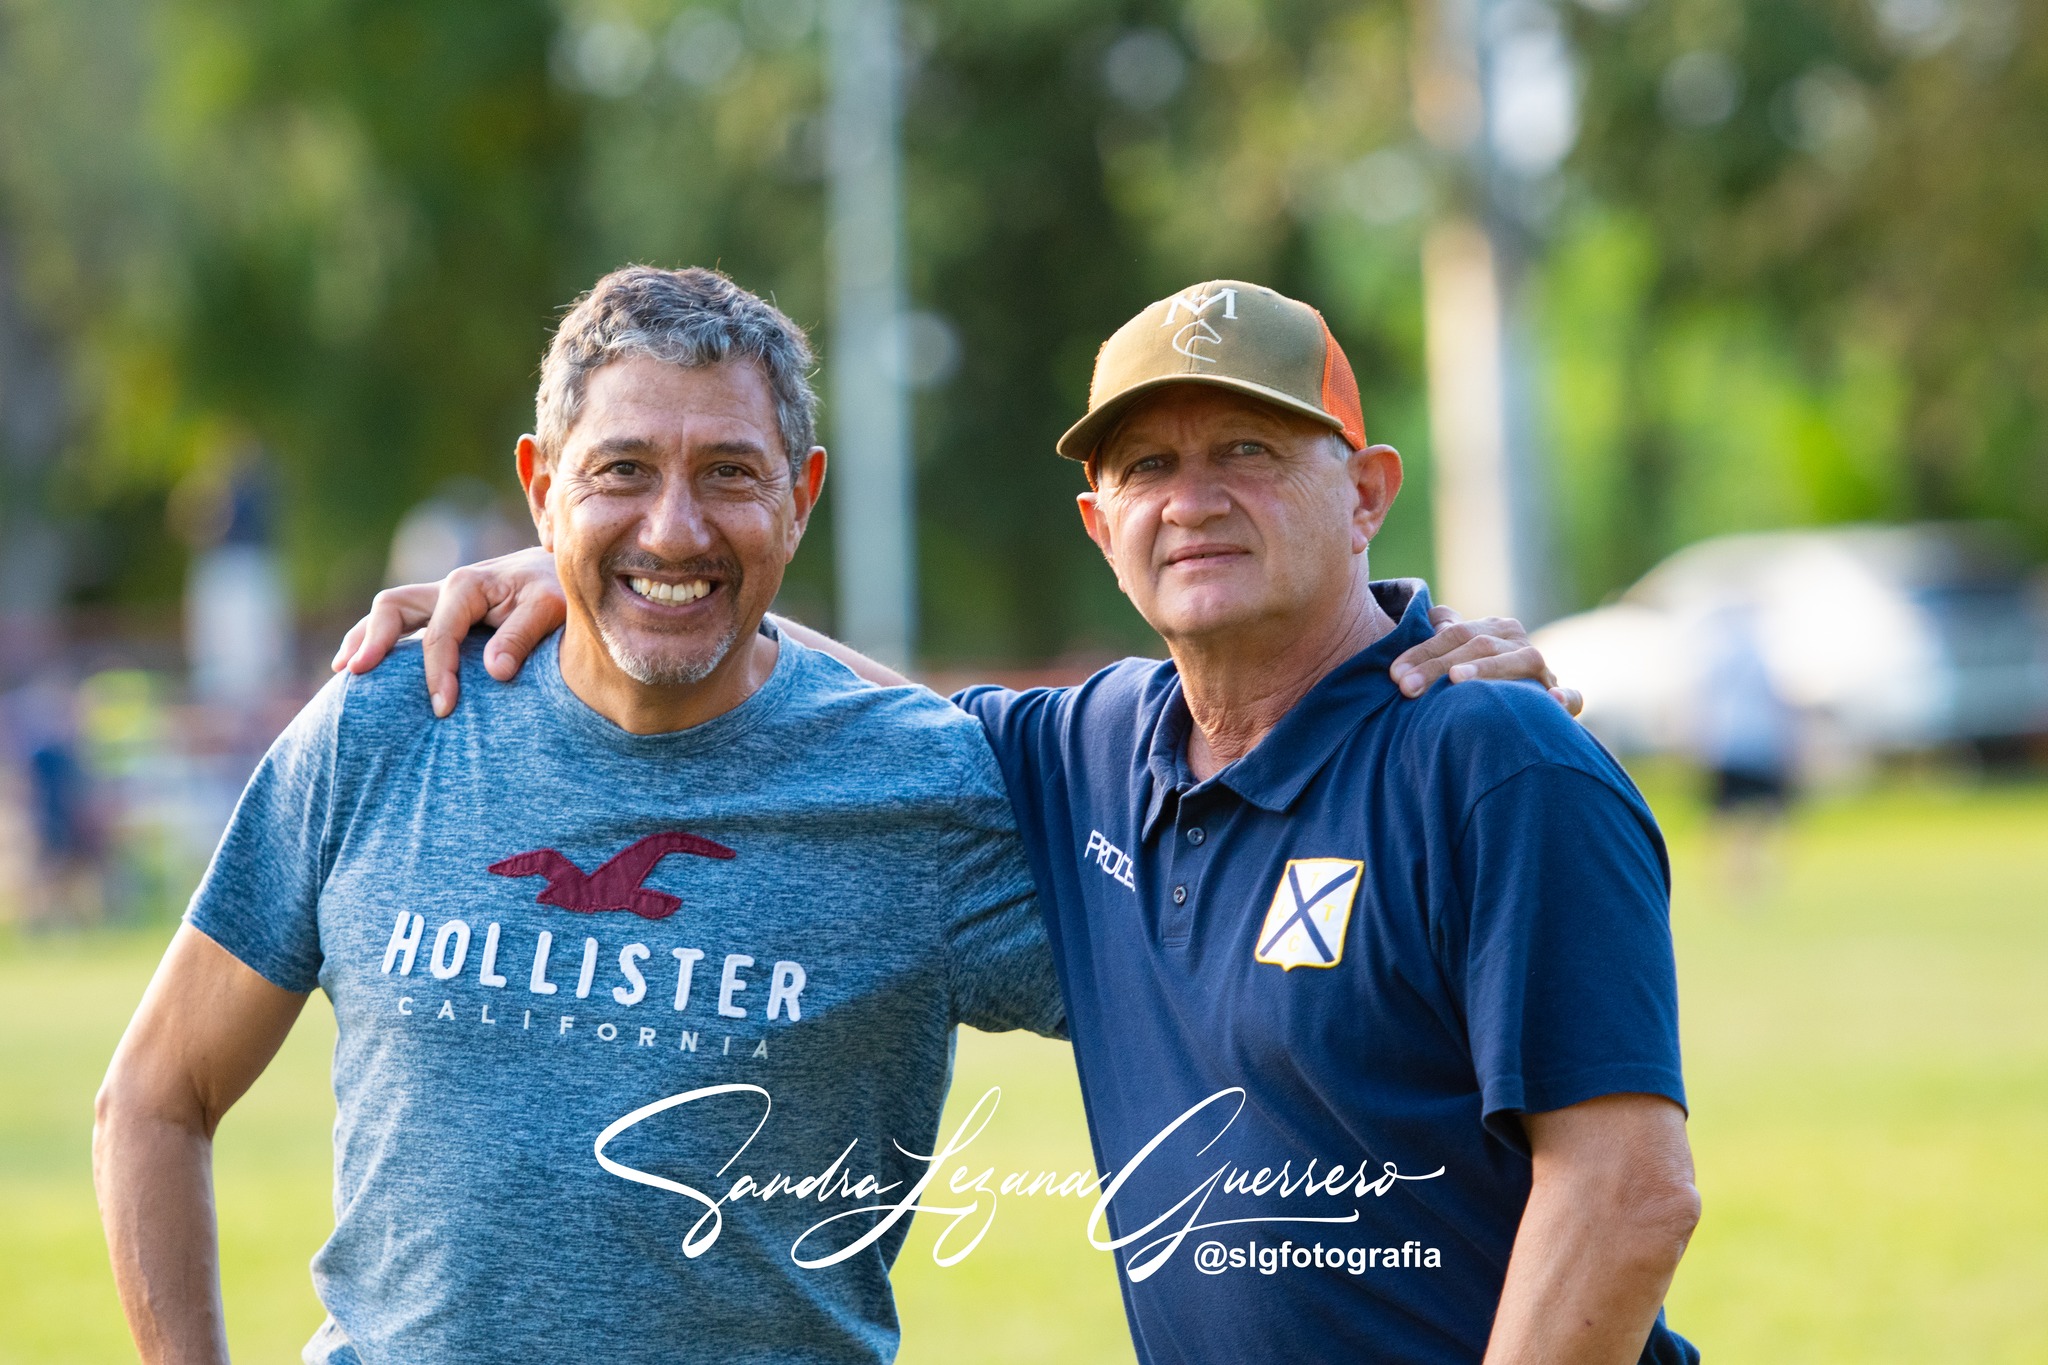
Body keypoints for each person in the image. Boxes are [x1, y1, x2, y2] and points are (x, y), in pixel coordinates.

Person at [342, 279, 1696, 1362]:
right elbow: (858, 718)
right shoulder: (1096, 747)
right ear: (1099, 521)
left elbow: (1631, 1194)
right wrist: (610, 574)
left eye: (1252, 449)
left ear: (1369, 491)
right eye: (1150, 462)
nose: (1196, 496)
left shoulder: (1492, 755)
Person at [94, 267, 1073, 1364]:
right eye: (621, 471)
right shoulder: (391, 718)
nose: (672, 527)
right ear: (539, 483)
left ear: (801, 498)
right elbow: (154, 1096)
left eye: (728, 474)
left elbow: (1206, 1008)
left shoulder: (920, 796)